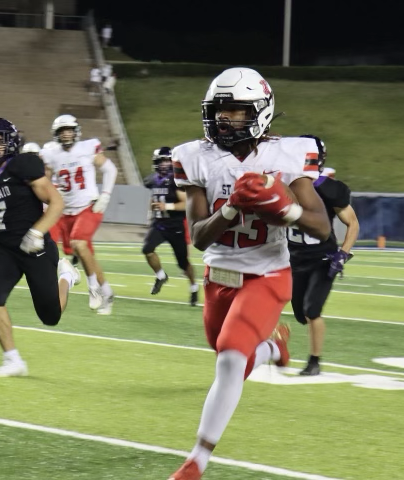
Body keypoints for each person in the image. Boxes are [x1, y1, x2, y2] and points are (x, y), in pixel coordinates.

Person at [167, 67, 331, 480]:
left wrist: (285, 208)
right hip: (218, 276)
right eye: (219, 110)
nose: (224, 119)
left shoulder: (287, 155)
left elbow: (322, 226)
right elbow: (200, 238)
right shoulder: (195, 158)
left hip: (267, 274)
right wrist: (232, 208)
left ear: (259, 112)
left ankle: (196, 461)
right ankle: (273, 350)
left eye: (236, 111)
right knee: (229, 355)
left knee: (229, 358)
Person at [0, 117, 80, 377]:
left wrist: (37, 232)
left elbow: (57, 203)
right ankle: (13, 360)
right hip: (7, 249)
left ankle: (67, 276)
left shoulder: (25, 166)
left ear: (12, 141)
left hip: (37, 248)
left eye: (2, 140)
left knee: (50, 317)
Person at [288, 135, 359, 376]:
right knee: (299, 311)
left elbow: (353, 223)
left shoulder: (327, 189)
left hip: (322, 258)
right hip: (294, 258)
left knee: (311, 309)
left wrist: (342, 254)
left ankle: (314, 361)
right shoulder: (282, 183)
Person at [40, 114, 118, 315]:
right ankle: (107, 293)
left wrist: (105, 196)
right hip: (64, 212)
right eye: (62, 131)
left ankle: (93, 289)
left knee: (79, 244)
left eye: (69, 130)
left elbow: (110, 169)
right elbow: (45, 183)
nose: (66, 134)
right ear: (56, 134)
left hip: (88, 207)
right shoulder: (51, 153)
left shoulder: (87, 147)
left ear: (76, 131)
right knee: (84, 256)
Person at [142, 147, 199, 306]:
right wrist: (149, 215)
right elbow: (154, 199)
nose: (165, 164)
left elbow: (186, 203)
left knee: (182, 263)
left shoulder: (177, 180)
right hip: (159, 224)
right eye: (162, 161)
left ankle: (194, 287)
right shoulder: (152, 180)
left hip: (175, 226)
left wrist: (166, 206)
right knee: (147, 249)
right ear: (156, 163)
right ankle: (161, 276)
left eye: (167, 160)